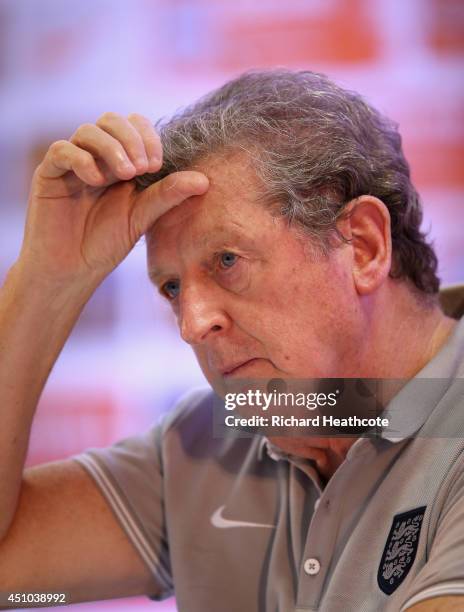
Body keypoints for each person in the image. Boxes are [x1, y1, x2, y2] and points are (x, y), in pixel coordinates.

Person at [0, 70, 463, 612]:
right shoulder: (207, 444)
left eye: (227, 261)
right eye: (172, 287)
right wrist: (46, 280)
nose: (191, 324)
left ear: (360, 247)